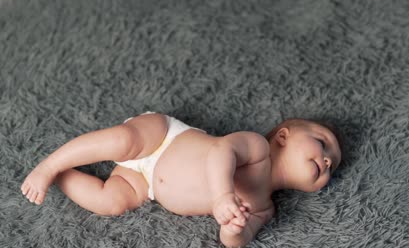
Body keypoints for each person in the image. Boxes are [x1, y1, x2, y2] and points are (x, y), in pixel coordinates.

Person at [21, 112, 342, 247]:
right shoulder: (257, 148)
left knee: (112, 201)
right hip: (161, 138)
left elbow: (238, 241)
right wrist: (221, 196)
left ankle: (62, 177)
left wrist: (232, 230)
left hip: (144, 184)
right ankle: (52, 164)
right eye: (322, 142)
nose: (327, 159)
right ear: (283, 136)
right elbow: (220, 152)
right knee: (122, 141)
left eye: (333, 165)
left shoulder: (264, 208)